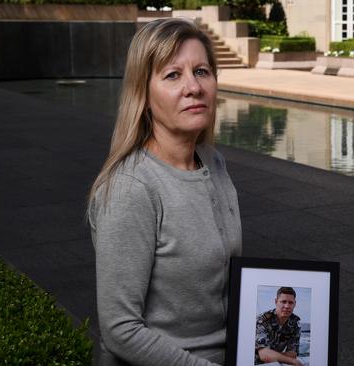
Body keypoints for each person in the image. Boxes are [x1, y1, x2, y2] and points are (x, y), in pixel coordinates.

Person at [87, 18, 241, 366]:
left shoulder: (212, 163)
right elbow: (120, 330)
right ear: (143, 94)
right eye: (173, 75)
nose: (193, 87)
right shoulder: (131, 187)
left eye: (201, 71)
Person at [255, 287, 303, 366]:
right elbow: (264, 355)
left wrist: (271, 356)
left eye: (290, 302)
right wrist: (293, 361)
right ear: (276, 302)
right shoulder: (262, 320)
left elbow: (292, 353)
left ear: (295, 304)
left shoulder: (295, 323)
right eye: (283, 301)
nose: (287, 306)